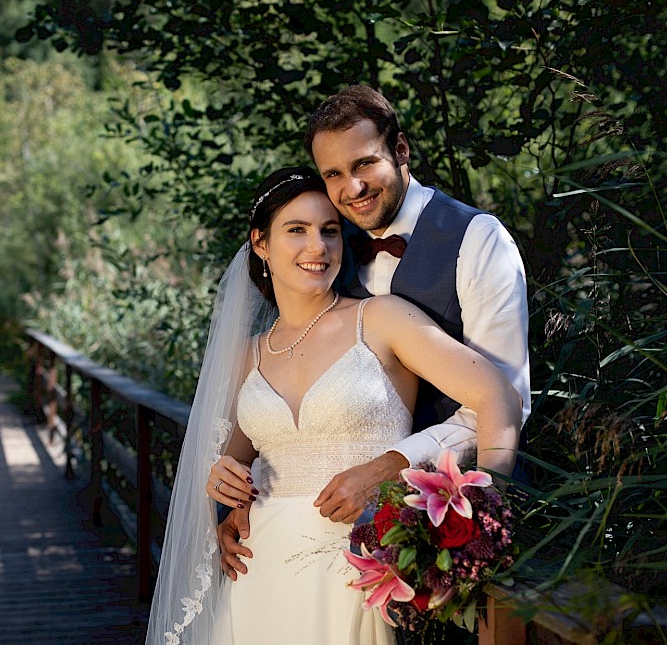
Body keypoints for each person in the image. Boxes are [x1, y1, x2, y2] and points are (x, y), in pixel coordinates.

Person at [146, 166, 522, 644]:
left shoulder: (382, 319)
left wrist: (487, 514)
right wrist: (221, 484)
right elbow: (233, 459)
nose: (317, 248)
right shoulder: (247, 355)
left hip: (359, 563)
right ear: (260, 243)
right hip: (259, 569)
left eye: (329, 231)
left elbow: (497, 395)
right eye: (296, 230)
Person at [217, 86, 531, 585]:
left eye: (364, 164)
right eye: (334, 174)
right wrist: (238, 495)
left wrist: (478, 521)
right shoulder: (330, 250)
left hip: (451, 519)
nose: (352, 188)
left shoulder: (476, 239)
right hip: (310, 546)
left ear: (401, 150)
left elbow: (505, 398)